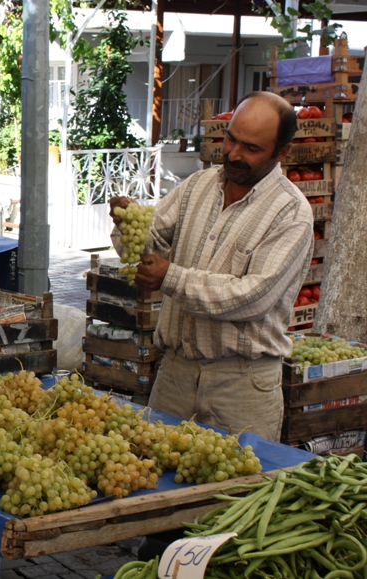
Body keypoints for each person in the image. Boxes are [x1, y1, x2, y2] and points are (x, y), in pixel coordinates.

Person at [109, 91, 314, 441]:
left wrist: (169, 276)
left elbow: (252, 297)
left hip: (242, 386)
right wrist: (127, 223)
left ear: (282, 153)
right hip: (175, 373)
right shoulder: (198, 187)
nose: (233, 153)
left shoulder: (290, 214)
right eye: (231, 138)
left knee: (233, 489)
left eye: (251, 148)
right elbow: (150, 240)